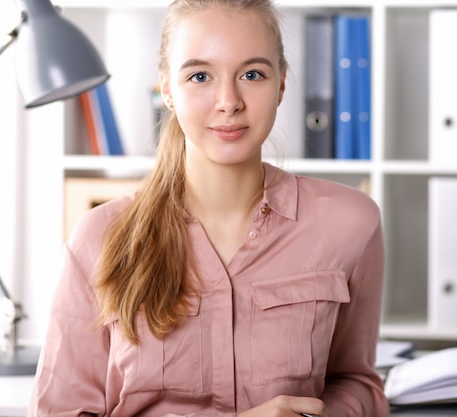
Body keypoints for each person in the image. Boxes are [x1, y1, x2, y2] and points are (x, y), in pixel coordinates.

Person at [27, 0, 388, 416]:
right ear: (166, 89)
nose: (228, 101)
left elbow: (357, 382)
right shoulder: (98, 238)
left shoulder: (351, 223)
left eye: (252, 74)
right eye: (200, 76)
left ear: (282, 83)